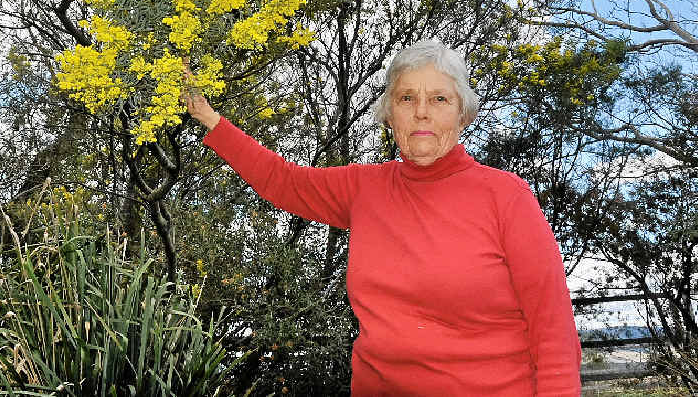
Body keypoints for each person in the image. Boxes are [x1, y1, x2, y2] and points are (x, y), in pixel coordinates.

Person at [184, 39, 582, 396]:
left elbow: (553, 331)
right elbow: (284, 182)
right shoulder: (364, 189)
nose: (421, 112)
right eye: (407, 99)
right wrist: (211, 120)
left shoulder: (506, 197)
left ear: (463, 114)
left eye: (440, 99)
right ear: (389, 114)